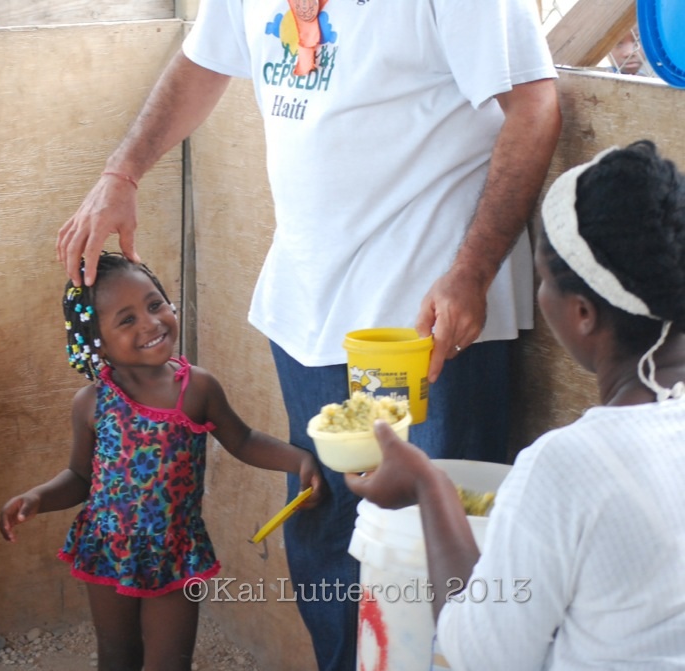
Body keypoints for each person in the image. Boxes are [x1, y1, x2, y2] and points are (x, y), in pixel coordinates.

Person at [55, 1, 562, 667]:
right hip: (309, 309)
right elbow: (203, 61)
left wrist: (473, 270)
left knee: (428, 545)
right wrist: (121, 172)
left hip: (427, 324)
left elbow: (535, 103)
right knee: (325, 538)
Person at [349, 141, 685, 668]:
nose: (540, 294)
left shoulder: (571, 465)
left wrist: (428, 486)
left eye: (542, 279)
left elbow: (480, 655)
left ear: (582, 313)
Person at [0, 252, 323, 671]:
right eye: (127, 320)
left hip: (175, 550)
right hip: (108, 547)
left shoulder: (196, 388)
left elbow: (242, 440)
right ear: (97, 340)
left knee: (170, 662)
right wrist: (39, 498)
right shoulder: (91, 403)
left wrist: (299, 461)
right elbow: (80, 476)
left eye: (155, 304)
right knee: (117, 656)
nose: (151, 323)